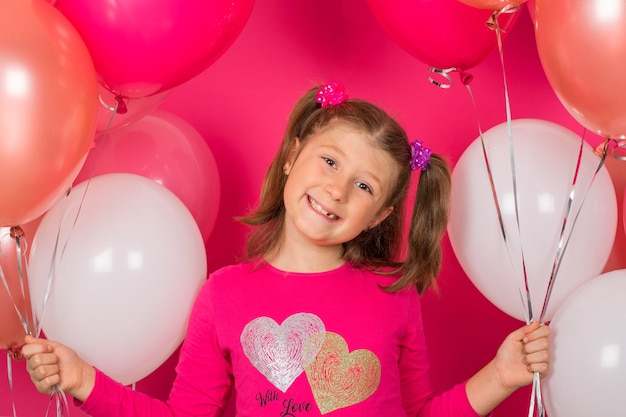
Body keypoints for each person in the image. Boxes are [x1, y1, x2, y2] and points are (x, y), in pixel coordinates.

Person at [22, 82, 550, 417]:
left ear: (384, 214)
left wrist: (501, 375)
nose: (338, 190)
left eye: (365, 187)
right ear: (294, 154)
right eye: (329, 161)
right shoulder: (222, 296)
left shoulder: (395, 293)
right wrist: (83, 380)